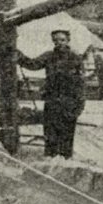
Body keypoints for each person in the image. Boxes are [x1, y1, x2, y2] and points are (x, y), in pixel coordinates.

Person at [17, 29, 86, 159]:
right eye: (56, 40)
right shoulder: (49, 56)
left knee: (67, 133)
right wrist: (18, 55)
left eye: (62, 40)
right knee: (50, 131)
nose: (59, 43)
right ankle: (50, 158)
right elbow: (33, 64)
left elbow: (81, 83)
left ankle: (65, 159)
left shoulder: (75, 58)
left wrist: (80, 104)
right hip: (52, 99)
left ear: (68, 40)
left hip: (69, 101)